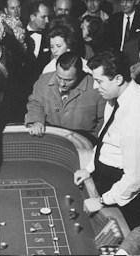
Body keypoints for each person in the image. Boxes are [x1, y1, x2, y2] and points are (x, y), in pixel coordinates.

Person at [74, 51, 140, 229]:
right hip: (105, 180)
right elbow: (106, 138)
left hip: (125, 196)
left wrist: (102, 201)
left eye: (99, 81)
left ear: (118, 79)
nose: (95, 87)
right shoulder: (113, 99)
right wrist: (89, 169)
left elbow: (134, 177)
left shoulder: (135, 113)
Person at [25, 52, 105, 143]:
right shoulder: (43, 81)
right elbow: (35, 103)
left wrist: (92, 142)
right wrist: (36, 121)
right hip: (49, 138)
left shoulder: (96, 88)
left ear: (79, 74)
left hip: (82, 143)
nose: (62, 84)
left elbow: (103, 120)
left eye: (68, 80)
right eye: (59, 77)